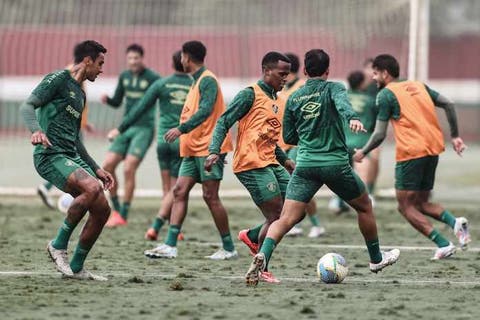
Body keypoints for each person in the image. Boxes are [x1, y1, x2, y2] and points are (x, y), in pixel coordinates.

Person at [245, 49, 400, 286]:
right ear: (328, 70)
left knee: (285, 219)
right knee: (365, 207)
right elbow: (343, 106)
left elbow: (288, 135)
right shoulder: (335, 88)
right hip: (335, 164)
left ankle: (263, 257)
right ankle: (376, 259)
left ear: (305, 71)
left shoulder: (294, 96)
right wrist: (351, 118)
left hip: (305, 165)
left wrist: (309, 137)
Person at [353, 54, 471, 259]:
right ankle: (456, 223)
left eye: (375, 73)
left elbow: (380, 134)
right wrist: (455, 136)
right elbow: (449, 104)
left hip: (411, 152)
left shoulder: (386, 94)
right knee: (421, 203)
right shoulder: (418, 85)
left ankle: (443, 244)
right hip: (433, 148)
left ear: (385, 73)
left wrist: (363, 151)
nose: (373, 78)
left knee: (405, 206)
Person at [20, 40, 114, 280]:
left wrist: (96, 167)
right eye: (100, 63)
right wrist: (36, 130)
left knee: (103, 210)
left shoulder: (80, 95)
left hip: (70, 155)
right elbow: (27, 106)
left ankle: (76, 268)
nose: (102, 70)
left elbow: (75, 139)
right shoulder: (58, 79)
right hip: (49, 155)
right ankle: (57, 245)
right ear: (87, 60)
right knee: (91, 188)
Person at [143, 40, 237, 260]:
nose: (181, 60)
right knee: (179, 191)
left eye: (182, 56)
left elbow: (206, 111)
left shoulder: (208, 80)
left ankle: (229, 248)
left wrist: (180, 128)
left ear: (187, 57)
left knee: (210, 196)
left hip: (208, 148)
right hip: (192, 148)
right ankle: (170, 245)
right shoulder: (195, 82)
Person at [206, 52, 294, 282]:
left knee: (295, 210)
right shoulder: (249, 95)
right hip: (250, 163)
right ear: (266, 71)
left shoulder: (278, 100)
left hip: (271, 162)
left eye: (288, 74)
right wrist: (214, 150)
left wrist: (285, 160)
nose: (286, 78)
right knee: (276, 214)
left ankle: (253, 236)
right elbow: (224, 121)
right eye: (282, 74)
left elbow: (269, 139)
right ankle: (262, 266)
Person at [107, 51, 192, 240]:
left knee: (166, 187)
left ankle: (159, 224)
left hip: (162, 140)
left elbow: (141, 107)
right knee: (177, 188)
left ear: (172, 64)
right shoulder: (197, 84)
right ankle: (172, 228)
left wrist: (119, 128)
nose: (133, 61)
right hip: (182, 141)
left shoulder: (160, 82)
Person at [101, 44, 160, 227]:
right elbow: (118, 101)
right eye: (130, 59)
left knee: (128, 168)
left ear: (142, 58)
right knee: (107, 166)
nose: (133, 61)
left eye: (136, 58)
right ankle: (116, 209)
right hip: (125, 128)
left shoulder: (153, 78)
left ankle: (124, 214)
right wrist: (108, 100)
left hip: (144, 129)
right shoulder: (124, 77)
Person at [36, 64, 94, 210]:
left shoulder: (81, 76)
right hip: (69, 127)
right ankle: (53, 189)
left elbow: (79, 105)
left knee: (73, 158)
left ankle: (48, 188)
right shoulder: (71, 74)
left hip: (75, 125)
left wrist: (85, 123)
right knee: (74, 158)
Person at [279, 52, 325, 238]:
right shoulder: (281, 89)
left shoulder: (303, 88)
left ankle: (315, 224)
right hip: (284, 145)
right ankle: (296, 222)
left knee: (298, 185)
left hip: (299, 145)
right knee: (288, 186)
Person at [329, 71, 377, 214]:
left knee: (342, 174)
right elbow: (374, 123)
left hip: (342, 140)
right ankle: (364, 201)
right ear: (362, 83)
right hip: (361, 141)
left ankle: (338, 201)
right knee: (361, 174)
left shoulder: (340, 98)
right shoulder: (370, 101)